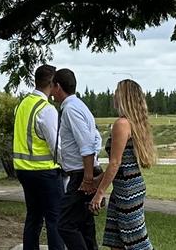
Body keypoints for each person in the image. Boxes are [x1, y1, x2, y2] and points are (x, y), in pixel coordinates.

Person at [90, 79, 157, 250]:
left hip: (127, 191)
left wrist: (99, 193)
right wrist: (97, 181)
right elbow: (121, 164)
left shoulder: (121, 124)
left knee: (136, 242)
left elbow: (115, 163)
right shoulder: (132, 123)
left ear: (125, 97)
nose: (113, 95)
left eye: (117, 91)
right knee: (116, 241)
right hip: (126, 188)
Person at [13, 64, 64, 250]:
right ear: (52, 83)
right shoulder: (46, 109)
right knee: (55, 218)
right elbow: (55, 146)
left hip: (23, 170)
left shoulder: (22, 105)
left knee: (33, 216)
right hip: (45, 172)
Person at [52, 68, 102, 250]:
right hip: (85, 171)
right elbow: (96, 138)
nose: (51, 91)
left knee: (64, 224)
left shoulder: (71, 109)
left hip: (82, 175)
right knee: (84, 225)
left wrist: (88, 179)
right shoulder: (80, 106)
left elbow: (87, 145)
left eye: (52, 86)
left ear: (57, 86)